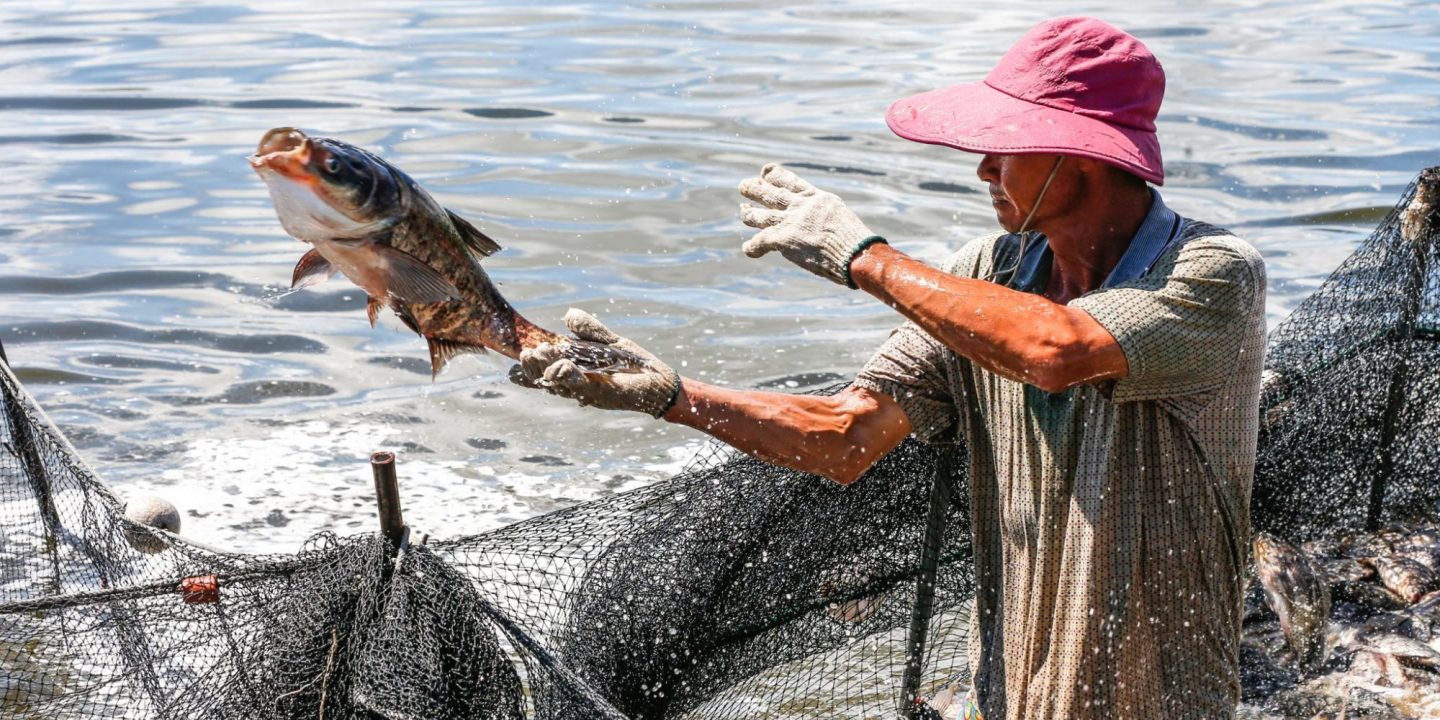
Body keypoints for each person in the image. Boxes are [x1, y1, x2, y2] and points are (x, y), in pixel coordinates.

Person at [511, 16, 1266, 720]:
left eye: (1010, 145)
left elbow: (1057, 351)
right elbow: (844, 435)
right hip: (1007, 686)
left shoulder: (1209, 274)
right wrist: (672, 395)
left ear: (1085, 154)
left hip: (1160, 693)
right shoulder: (987, 275)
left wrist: (863, 257)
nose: (984, 168)